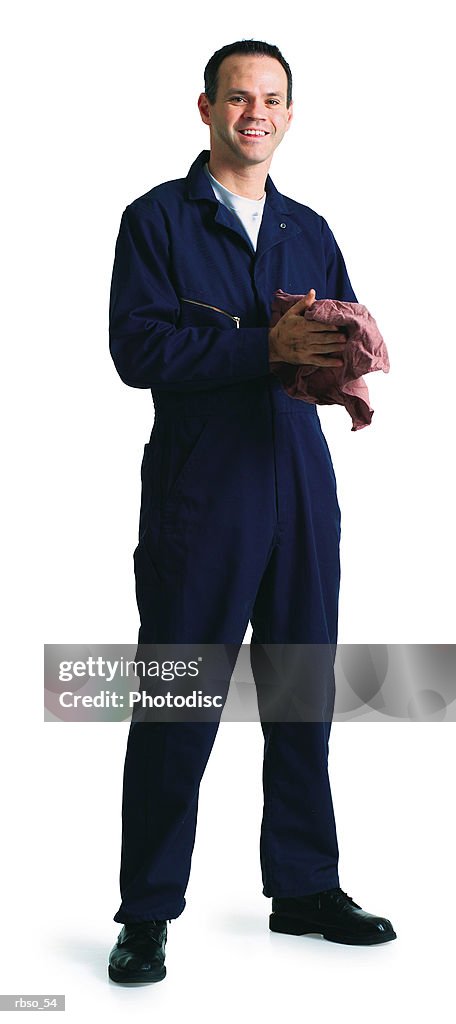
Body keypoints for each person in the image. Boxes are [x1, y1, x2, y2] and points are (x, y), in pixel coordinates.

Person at [107, 39, 397, 985]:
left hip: (301, 484)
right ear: (206, 109)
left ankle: (306, 886)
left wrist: (343, 363)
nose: (254, 115)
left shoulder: (309, 228)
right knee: (178, 701)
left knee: (302, 690)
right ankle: (146, 912)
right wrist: (260, 347)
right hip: (204, 491)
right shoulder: (157, 220)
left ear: (289, 113)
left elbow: (337, 332)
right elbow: (138, 351)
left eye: (271, 99)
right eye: (238, 98)